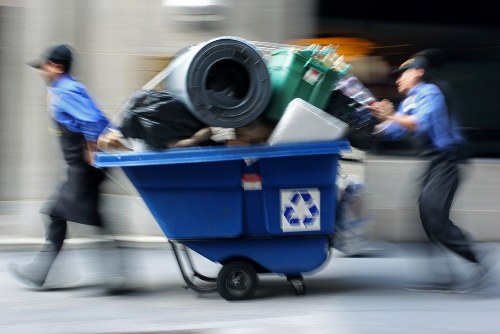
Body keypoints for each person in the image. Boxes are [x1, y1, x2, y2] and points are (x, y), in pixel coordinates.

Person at [8, 44, 130, 294]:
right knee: (65, 215)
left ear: (56, 67)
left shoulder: (65, 91)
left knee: (62, 215)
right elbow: (101, 119)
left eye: (44, 66)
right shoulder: (70, 88)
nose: (41, 71)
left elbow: (92, 120)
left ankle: (113, 277)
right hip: (81, 167)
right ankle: (112, 276)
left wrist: (92, 150)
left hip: (83, 167)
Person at [367, 55, 487, 292]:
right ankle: (442, 276)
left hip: (447, 160)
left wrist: (391, 115)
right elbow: (393, 132)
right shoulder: (409, 101)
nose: (398, 80)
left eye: (402, 74)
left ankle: (477, 264)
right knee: (424, 217)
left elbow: (419, 123)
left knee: (434, 214)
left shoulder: (429, 92)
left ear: (418, 72)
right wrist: (375, 119)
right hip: (433, 163)